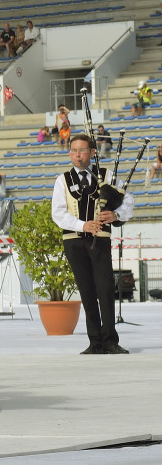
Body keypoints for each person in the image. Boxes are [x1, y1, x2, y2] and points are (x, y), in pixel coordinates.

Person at [51, 133, 134, 354]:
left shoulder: (107, 175)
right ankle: (95, 341)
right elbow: (58, 214)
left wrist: (116, 215)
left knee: (105, 288)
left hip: (101, 239)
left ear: (92, 152)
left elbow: (128, 200)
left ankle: (110, 341)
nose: (77, 155)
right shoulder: (63, 180)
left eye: (82, 150)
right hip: (74, 241)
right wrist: (82, 225)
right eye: (73, 151)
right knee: (86, 290)